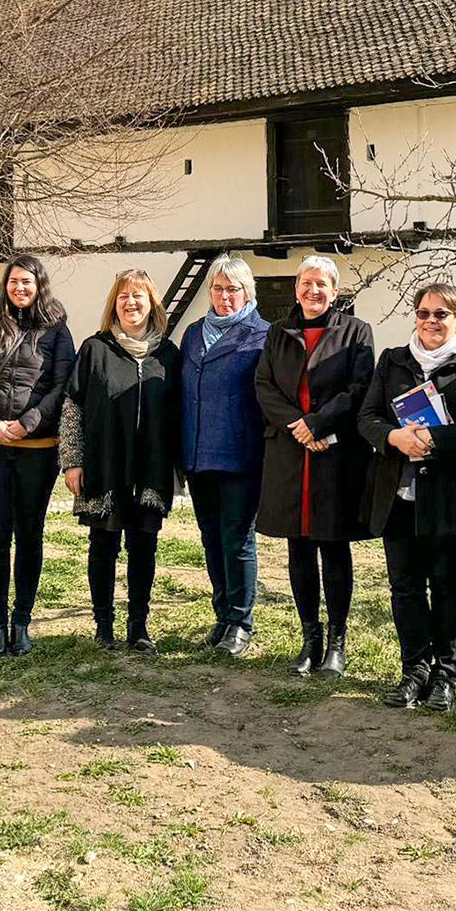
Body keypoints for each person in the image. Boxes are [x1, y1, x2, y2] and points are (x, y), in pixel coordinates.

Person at [358, 282, 456, 711]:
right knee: (405, 587)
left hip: (449, 495)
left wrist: (435, 440)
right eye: (424, 313)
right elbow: (368, 416)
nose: (431, 321)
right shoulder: (393, 361)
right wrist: (394, 437)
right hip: (399, 493)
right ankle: (414, 668)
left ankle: (447, 675)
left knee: (448, 585)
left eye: (441, 314)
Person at [255, 255, 375, 678]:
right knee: (298, 549)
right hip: (290, 452)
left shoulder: (357, 332)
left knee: (333, 546)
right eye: (306, 283)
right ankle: (310, 639)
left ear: (334, 291)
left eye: (322, 284)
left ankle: (338, 641)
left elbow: (359, 388)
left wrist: (318, 424)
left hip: (334, 453)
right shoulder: (277, 333)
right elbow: (264, 385)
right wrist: (298, 426)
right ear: (296, 288)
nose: (313, 291)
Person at [59, 269, 182, 654]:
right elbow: (72, 408)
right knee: (103, 544)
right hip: (104, 464)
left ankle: (138, 625)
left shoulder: (168, 354)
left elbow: (181, 412)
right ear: (114, 303)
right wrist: (72, 461)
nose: (131, 303)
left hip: (150, 467)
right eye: (124, 296)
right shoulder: (94, 349)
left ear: (152, 304)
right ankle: (103, 624)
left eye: (139, 296)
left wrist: (181, 466)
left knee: (144, 545)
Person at [0, 254, 75, 657]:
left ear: (39, 285)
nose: (20, 288)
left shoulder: (57, 329)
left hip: (36, 448)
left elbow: (62, 385)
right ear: (4, 285)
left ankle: (22, 622)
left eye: (27, 282)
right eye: (13, 282)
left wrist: (29, 422)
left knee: (29, 535)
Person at [179, 254, 270, 657]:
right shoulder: (195, 333)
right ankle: (221, 614)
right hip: (198, 454)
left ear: (247, 292)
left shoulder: (262, 335)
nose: (224, 297)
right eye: (218, 289)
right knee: (211, 539)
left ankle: (240, 620)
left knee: (237, 539)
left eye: (233, 289)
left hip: (239, 454)